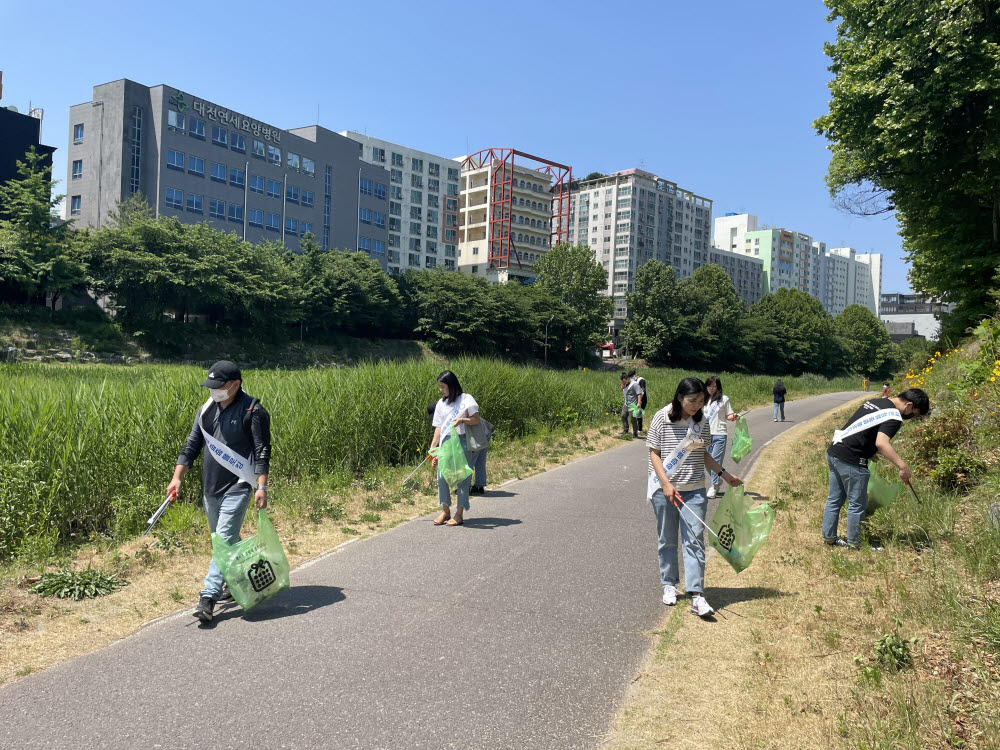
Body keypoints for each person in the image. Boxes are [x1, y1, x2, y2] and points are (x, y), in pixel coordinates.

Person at [168, 361, 271, 624]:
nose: (214, 391)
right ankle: (242, 581)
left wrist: (261, 486)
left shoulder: (253, 411)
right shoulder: (206, 410)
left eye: (219, 386)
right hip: (210, 486)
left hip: (238, 484)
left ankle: (208, 597)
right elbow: (192, 444)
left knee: (223, 540)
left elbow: (262, 451)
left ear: (235, 384)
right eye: (211, 386)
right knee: (224, 541)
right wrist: (177, 477)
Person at [647, 377, 743, 618]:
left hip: (695, 489)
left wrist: (724, 474)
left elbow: (704, 455)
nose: (696, 406)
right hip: (664, 489)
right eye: (692, 401)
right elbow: (654, 454)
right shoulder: (662, 417)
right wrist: (667, 484)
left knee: (694, 539)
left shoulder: (702, 421)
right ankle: (669, 584)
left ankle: (697, 594)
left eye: (701, 401)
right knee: (667, 538)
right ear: (680, 397)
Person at [822, 388, 930, 549]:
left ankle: (829, 538)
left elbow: (865, 431)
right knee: (857, 504)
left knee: (834, 499)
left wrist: (871, 451)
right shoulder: (894, 417)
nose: (912, 416)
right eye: (914, 413)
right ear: (908, 405)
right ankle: (856, 544)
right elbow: (882, 442)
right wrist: (902, 466)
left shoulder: (876, 402)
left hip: (835, 452)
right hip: (852, 459)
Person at [429, 370, 482, 526]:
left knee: (462, 478)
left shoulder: (466, 399)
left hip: (462, 441)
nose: (441, 390)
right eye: (439, 387)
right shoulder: (441, 403)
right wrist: (433, 448)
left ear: (451, 386)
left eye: (443, 387)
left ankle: (459, 513)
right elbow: (438, 428)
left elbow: (476, 420)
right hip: (445, 442)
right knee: (441, 477)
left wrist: (462, 420)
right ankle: (446, 511)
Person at [703, 376, 739, 498]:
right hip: (705, 435)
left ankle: (713, 486)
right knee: (706, 462)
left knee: (715, 461)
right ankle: (718, 480)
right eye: (709, 386)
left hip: (719, 434)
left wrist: (733, 416)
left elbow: (728, 415)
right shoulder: (703, 400)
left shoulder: (724, 399)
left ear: (718, 387)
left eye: (714, 386)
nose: (711, 389)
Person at [621, 371, 641, 438]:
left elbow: (639, 393)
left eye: (624, 381)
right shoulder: (626, 385)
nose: (624, 383)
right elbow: (623, 391)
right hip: (626, 403)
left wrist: (639, 403)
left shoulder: (634, 384)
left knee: (632, 419)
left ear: (627, 379)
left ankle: (635, 433)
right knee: (623, 416)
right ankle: (625, 430)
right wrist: (623, 387)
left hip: (633, 404)